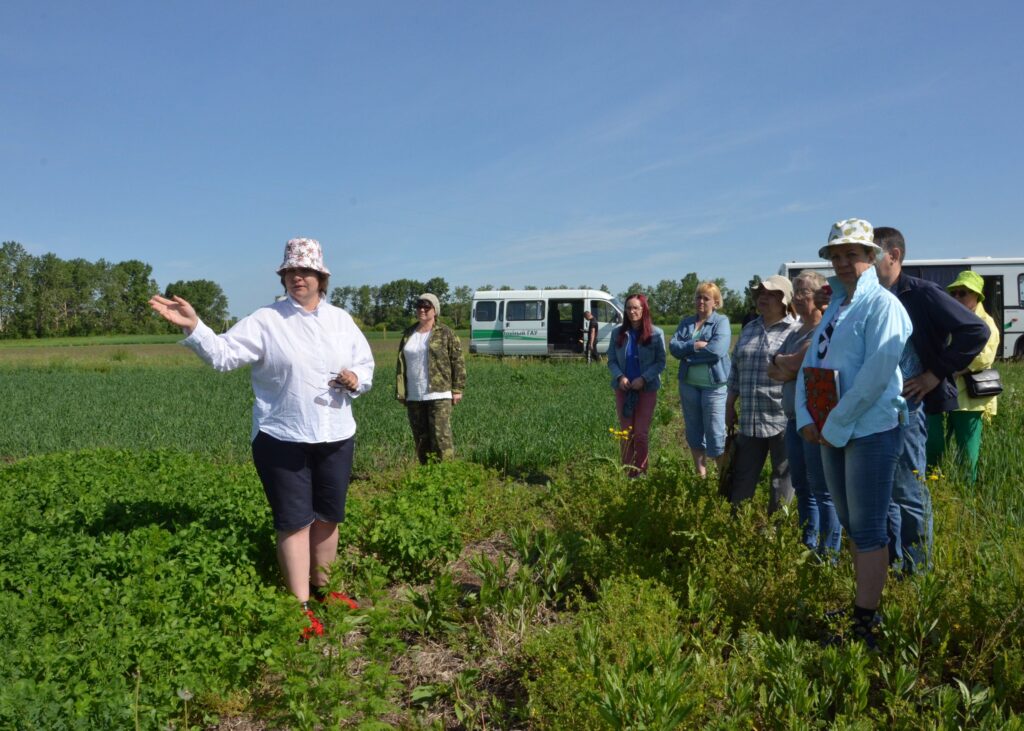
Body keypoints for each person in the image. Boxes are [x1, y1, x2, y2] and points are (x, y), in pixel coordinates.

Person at [149, 237, 374, 639]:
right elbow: (222, 356)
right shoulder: (267, 320)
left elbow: (364, 364)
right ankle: (300, 607)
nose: (297, 277)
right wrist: (195, 326)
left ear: (322, 278)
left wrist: (357, 379)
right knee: (294, 522)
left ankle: (325, 591)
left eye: (305, 271)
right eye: (290, 271)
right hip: (282, 436)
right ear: (283, 276)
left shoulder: (341, 320)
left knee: (328, 517)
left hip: (336, 434)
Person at [796, 218, 912, 648]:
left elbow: (877, 375)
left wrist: (835, 424)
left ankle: (867, 621)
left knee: (867, 529)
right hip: (831, 430)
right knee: (849, 522)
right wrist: (806, 416)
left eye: (854, 255)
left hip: (869, 431)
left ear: (873, 257)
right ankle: (861, 605)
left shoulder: (883, 307)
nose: (844, 263)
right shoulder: (838, 310)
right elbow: (812, 366)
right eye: (837, 256)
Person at [874, 227, 989, 574]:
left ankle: (918, 574)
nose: (863, 262)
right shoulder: (872, 297)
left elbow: (976, 331)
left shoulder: (921, 293)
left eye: (871, 254)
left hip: (909, 408)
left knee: (909, 491)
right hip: (877, 410)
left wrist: (933, 373)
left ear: (893, 256)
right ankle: (895, 566)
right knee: (888, 493)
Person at [767, 271, 841, 558]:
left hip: (815, 419)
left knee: (822, 489)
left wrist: (785, 363)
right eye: (794, 292)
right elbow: (773, 370)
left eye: (801, 292)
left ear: (818, 296)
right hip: (793, 418)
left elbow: (797, 365)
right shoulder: (796, 332)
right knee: (801, 485)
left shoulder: (822, 329)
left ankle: (829, 552)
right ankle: (808, 542)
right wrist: (786, 365)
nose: (795, 298)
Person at [725, 275, 798, 512]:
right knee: (743, 475)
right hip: (750, 418)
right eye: (761, 294)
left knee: (782, 477)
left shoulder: (794, 331)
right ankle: (738, 525)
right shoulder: (749, 328)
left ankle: (777, 530)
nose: (763, 298)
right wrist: (729, 404)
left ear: (784, 300)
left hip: (781, 417)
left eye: (771, 294)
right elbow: (735, 368)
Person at [927, 271, 1000, 483]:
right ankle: (933, 481)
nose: (957, 297)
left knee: (967, 448)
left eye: (963, 293)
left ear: (977, 296)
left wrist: (949, 369)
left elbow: (984, 357)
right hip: (942, 390)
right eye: (954, 293)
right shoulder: (948, 318)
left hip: (969, 397)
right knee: (934, 441)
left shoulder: (986, 323)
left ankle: (966, 489)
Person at [669, 282, 731, 478]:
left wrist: (687, 354)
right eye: (698, 297)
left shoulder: (721, 322)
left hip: (714, 386)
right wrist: (694, 345)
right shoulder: (686, 323)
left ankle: (723, 478)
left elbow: (717, 351)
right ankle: (701, 476)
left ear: (716, 302)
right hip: (689, 385)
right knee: (694, 430)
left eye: (706, 298)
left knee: (715, 432)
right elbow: (673, 347)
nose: (701, 301)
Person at [395, 293, 466, 464]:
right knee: (421, 440)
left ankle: (446, 475)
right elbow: (400, 364)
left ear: (435, 311)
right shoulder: (408, 334)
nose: (422, 310)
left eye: (427, 307)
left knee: (441, 439)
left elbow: (458, 361)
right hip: (414, 395)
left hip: (439, 393)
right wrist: (401, 391)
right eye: (419, 306)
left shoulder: (446, 333)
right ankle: (426, 477)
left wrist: (457, 389)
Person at [607, 294, 666, 476]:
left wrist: (644, 378)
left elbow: (660, 361)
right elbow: (611, 360)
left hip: (646, 390)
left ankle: (641, 472)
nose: (632, 312)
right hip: (623, 390)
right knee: (626, 434)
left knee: (640, 433)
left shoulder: (656, 334)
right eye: (629, 308)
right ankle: (627, 471)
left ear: (644, 310)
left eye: (636, 308)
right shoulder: (618, 333)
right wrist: (620, 377)